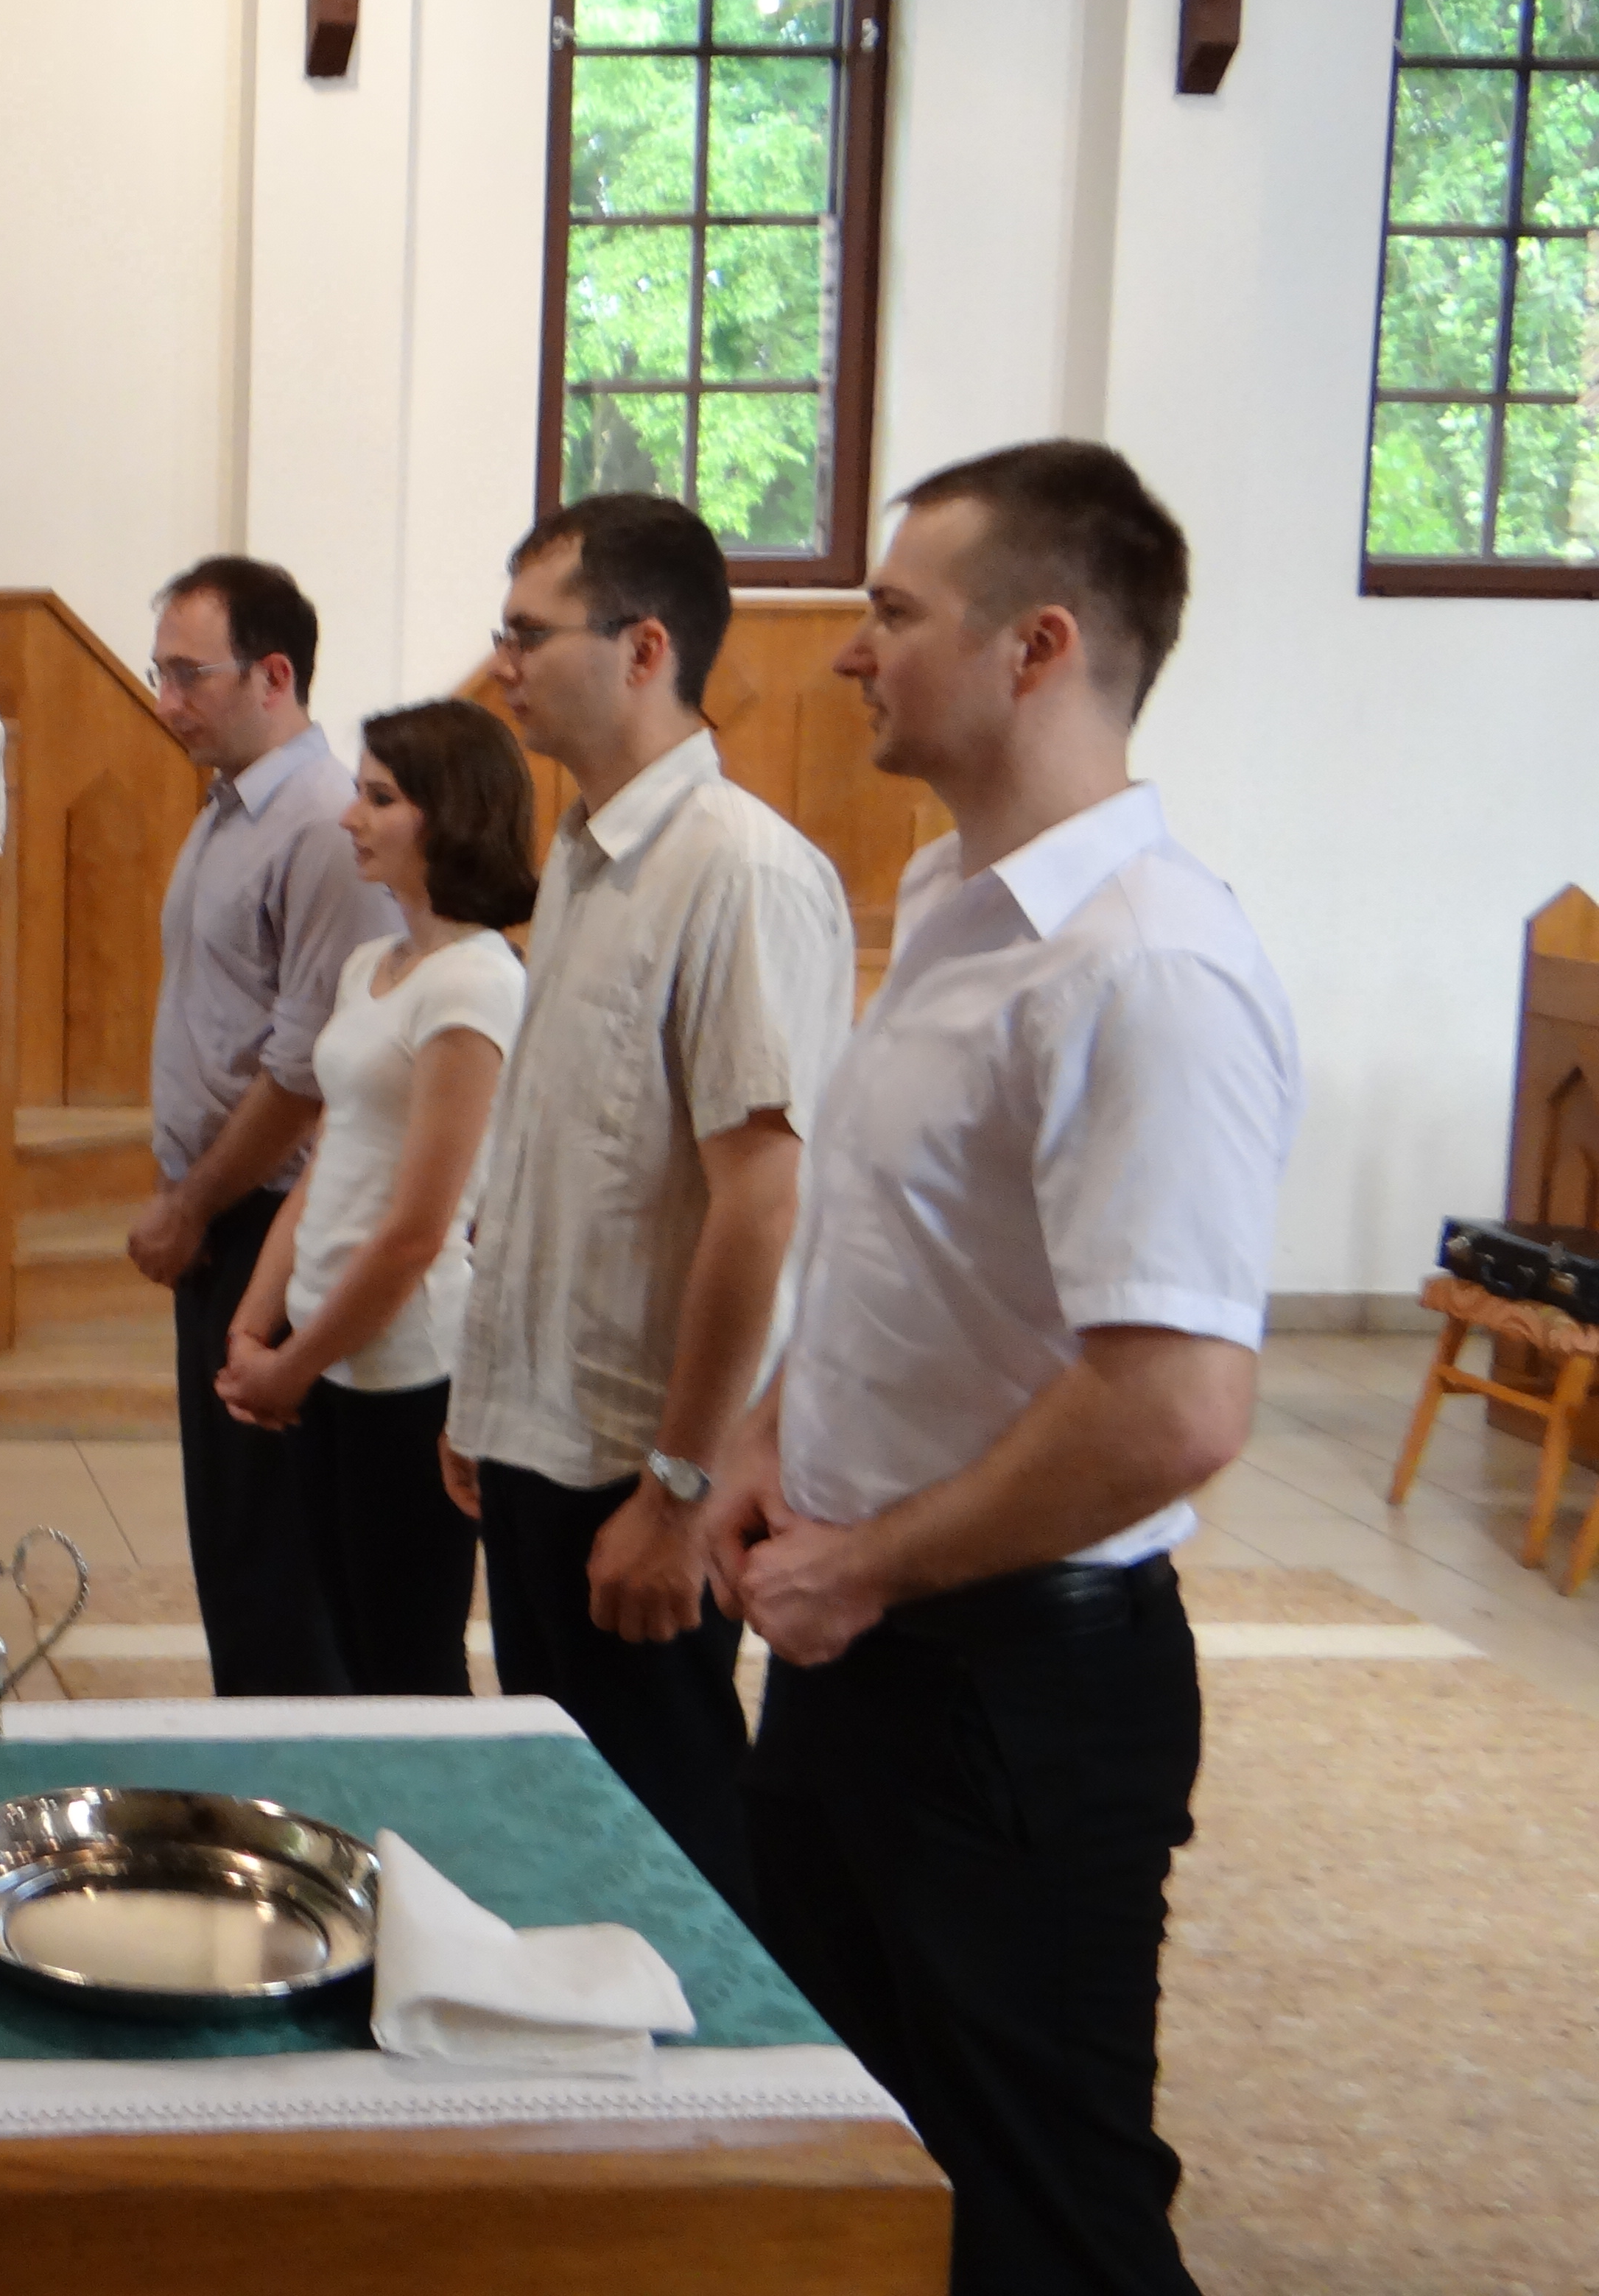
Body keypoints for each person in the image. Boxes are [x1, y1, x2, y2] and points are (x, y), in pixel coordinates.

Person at [701, 442, 1297, 2296]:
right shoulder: (958, 895)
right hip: (873, 1640)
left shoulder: (1147, 966)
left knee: (1041, 2207)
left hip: (1017, 1682)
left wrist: (870, 1561)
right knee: (859, 2154)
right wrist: (775, 1426)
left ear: (1037, 646)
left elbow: (1174, 1407)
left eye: (891, 613)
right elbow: (905, 1245)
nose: (847, 652)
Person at [446, 493, 851, 1920]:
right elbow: (557, 1163)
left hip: (638, 1463)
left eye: (528, 634)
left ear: (643, 649)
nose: (502, 664)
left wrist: (680, 1494)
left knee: (669, 1848)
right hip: (544, 1440)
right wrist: (486, 1403)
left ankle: (710, 2060)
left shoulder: (739, 870)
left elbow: (761, 1206)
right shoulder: (580, 854)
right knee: (568, 1817)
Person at [213, 698, 533, 1695]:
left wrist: (293, 1365)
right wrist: (253, 1326)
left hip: (403, 1363)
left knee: (407, 1661)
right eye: (359, 792)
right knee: (346, 1645)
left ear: (453, 815)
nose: (352, 817)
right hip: (326, 1344)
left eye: (380, 798)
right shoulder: (374, 966)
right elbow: (328, 1162)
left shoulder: (475, 982)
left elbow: (417, 1231)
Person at [123, 556, 398, 1695]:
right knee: (236, 1546)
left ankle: (295, 1770)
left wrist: (194, 1203)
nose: (166, 701)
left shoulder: (324, 828)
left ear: (274, 676)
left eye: (190, 675)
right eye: (160, 672)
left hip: (269, 1219)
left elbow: (305, 1067)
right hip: (225, 1212)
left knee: (276, 1553)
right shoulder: (230, 808)